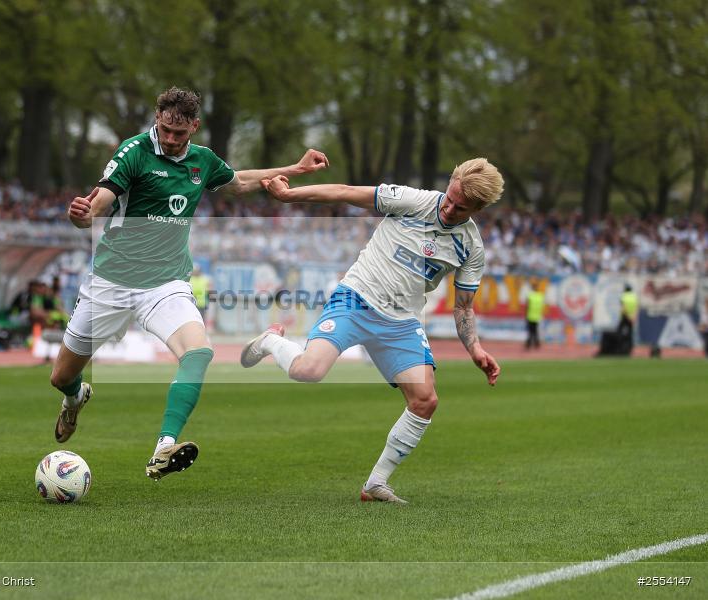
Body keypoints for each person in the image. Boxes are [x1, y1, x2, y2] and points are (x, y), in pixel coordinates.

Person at [52, 86, 329, 480]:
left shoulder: (203, 160)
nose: (170, 138)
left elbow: (239, 181)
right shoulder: (134, 152)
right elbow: (97, 205)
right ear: (157, 119)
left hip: (165, 283)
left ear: (194, 127)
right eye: (164, 129)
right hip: (111, 282)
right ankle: (75, 398)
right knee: (61, 376)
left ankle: (164, 446)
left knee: (198, 352)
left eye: (179, 133)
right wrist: (81, 216)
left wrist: (296, 169)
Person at [241, 158, 503, 504]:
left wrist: (475, 349)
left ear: (478, 210)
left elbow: (464, 307)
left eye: (460, 208)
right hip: (356, 299)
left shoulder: (471, 247)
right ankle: (272, 340)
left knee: (425, 401)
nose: (449, 208)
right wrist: (290, 196)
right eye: (449, 198)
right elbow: (344, 191)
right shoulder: (413, 200)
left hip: (401, 322)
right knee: (308, 371)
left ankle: (376, 484)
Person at [524, 282, 545, 350]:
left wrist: (526, 315)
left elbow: (527, 306)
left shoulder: (530, 296)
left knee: (530, 331)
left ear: (532, 288)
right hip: (537, 317)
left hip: (530, 316)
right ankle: (536, 343)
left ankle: (529, 344)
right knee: (535, 331)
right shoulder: (540, 296)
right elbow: (542, 307)